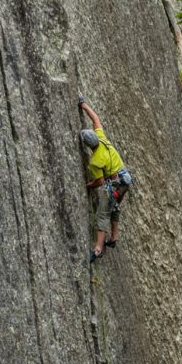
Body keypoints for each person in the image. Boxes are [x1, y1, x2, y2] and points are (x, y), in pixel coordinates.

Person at [78, 96, 132, 263]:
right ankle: (114, 237)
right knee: (115, 206)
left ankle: (98, 248)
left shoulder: (95, 161)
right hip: (126, 179)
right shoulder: (101, 137)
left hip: (115, 184)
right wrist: (84, 105)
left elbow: (100, 182)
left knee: (102, 213)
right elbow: (96, 119)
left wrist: (88, 185)